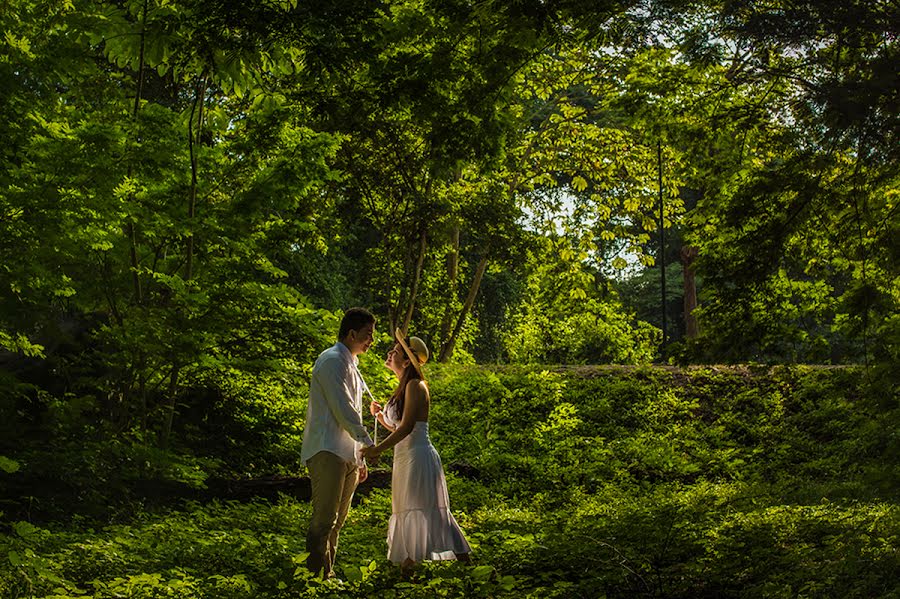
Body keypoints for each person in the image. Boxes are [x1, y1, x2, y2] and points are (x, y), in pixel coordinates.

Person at [360, 331, 471, 571]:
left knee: (427, 509)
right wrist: (379, 416)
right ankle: (412, 564)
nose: (390, 353)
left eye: (396, 352)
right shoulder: (404, 386)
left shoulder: (415, 385)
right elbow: (398, 426)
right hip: (405, 457)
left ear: (408, 360)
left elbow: (409, 427)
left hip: (418, 456)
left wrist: (377, 449)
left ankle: (453, 564)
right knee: (409, 508)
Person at [301, 307, 376, 578]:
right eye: (368, 334)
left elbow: (353, 411)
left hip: (347, 454)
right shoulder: (332, 360)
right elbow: (343, 409)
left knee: (337, 523)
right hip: (327, 449)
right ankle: (314, 579)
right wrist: (368, 443)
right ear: (352, 333)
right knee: (324, 521)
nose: (371, 340)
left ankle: (327, 576)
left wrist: (360, 456)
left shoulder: (351, 364)